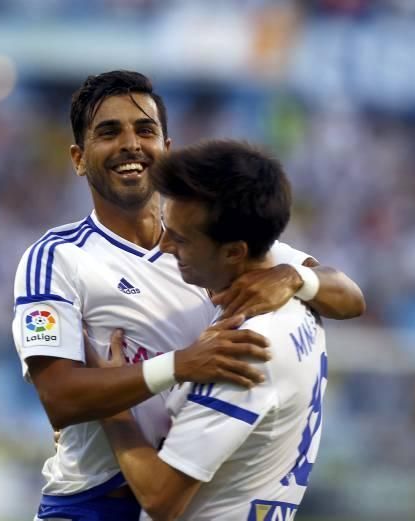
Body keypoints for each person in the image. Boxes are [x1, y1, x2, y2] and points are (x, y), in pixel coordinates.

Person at [11, 71, 364, 520]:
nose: (130, 145)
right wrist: (178, 366)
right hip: (96, 501)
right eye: (108, 132)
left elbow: (351, 298)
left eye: (145, 130)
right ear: (79, 159)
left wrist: (299, 279)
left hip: (190, 488)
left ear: (167, 149)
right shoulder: (58, 259)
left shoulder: (215, 238)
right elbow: (59, 399)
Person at [90, 139, 328, 520]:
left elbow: (161, 498)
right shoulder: (294, 291)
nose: (165, 246)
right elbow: (347, 294)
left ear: (234, 252)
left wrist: (111, 400)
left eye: (181, 239)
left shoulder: (244, 350)